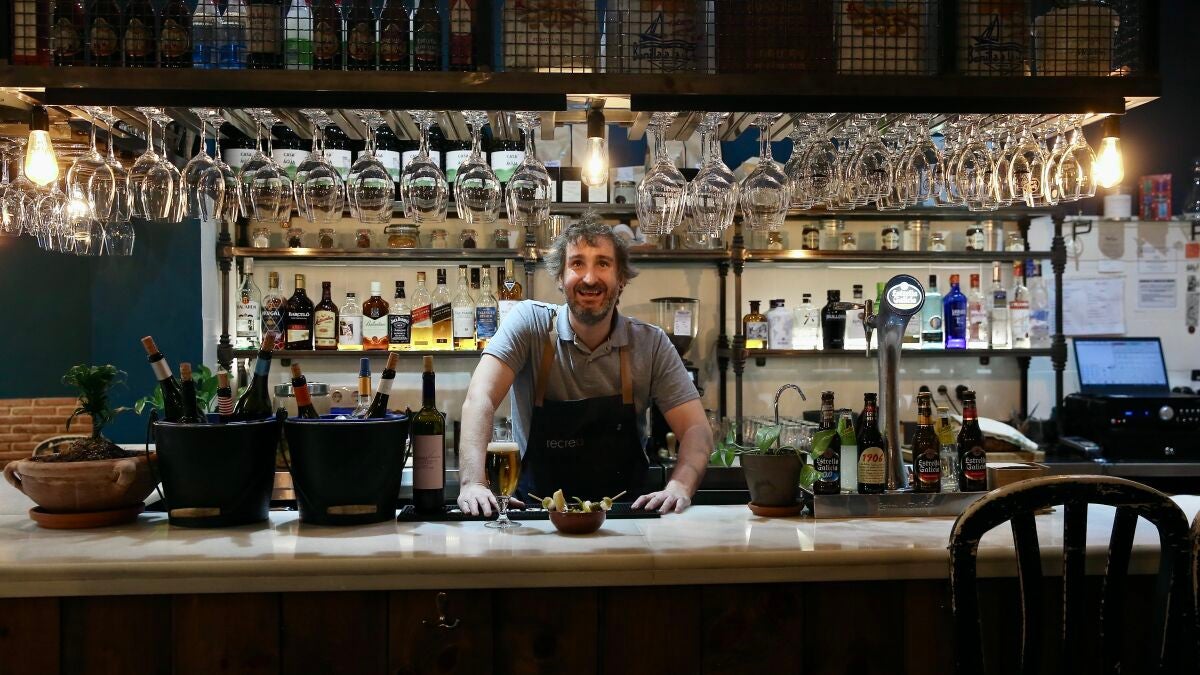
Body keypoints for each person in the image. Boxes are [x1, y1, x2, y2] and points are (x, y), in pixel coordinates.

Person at [456, 218, 711, 515]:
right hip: (539, 521)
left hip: (626, 520)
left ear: (621, 278)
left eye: (603, 263)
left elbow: (696, 429)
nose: (589, 278)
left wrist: (680, 486)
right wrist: (474, 482)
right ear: (560, 277)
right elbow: (480, 398)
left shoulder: (650, 344)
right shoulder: (529, 324)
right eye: (577, 263)